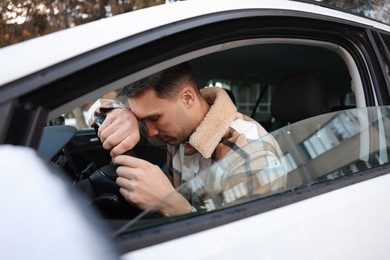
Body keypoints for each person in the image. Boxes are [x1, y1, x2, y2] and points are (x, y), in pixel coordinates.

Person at [88, 62, 287, 217]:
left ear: (188, 98)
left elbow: (246, 246)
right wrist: (122, 115)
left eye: (155, 118)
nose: (149, 132)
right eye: (142, 119)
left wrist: (172, 205)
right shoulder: (177, 127)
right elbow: (94, 110)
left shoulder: (251, 155)